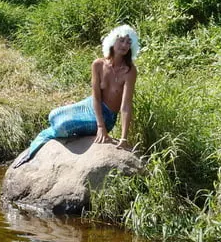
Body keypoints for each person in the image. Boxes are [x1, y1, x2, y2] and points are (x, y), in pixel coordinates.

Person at [13, 25, 139, 168]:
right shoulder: (98, 64)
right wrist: (99, 126)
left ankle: (35, 147)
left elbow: (126, 105)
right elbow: (96, 98)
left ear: (132, 46)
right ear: (112, 41)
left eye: (128, 42)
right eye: (121, 40)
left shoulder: (129, 71)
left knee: (62, 126)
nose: (124, 45)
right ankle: (43, 140)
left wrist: (122, 137)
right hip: (91, 104)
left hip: (107, 116)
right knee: (54, 115)